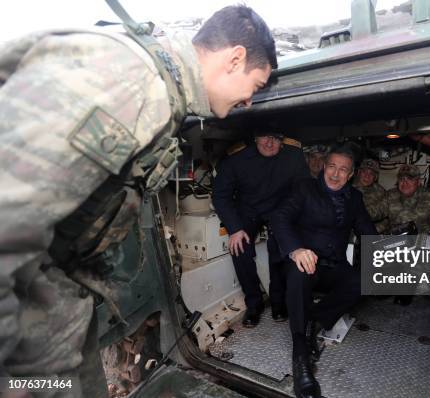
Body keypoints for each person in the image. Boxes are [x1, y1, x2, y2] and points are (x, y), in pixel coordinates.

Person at [0, 4, 277, 396]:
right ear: (235, 59)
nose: (250, 101)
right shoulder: (133, 84)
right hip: (26, 315)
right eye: (257, 85)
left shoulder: (157, 92)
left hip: (57, 300)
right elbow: (8, 216)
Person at [272, 144, 377, 398]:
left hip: (335, 267)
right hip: (305, 263)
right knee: (298, 274)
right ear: (324, 166)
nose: (335, 174)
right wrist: (296, 250)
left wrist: (389, 249)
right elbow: (280, 218)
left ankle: (315, 321)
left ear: (350, 174)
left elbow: (367, 231)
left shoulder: (355, 198)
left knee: (364, 279)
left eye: (343, 170)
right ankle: (301, 357)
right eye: (332, 166)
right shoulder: (304, 189)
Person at [212, 132, 309, 327]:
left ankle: (278, 301)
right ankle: (254, 304)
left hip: (280, 209)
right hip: (249, 210)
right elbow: (220, 195)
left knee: (281, 248)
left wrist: (291, 218)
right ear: (254, 138)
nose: (270, 142)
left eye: (276, 137)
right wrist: (235, 228)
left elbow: (302, 189)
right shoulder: (237, 159)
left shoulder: (294, 155)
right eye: (264, 136)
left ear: (282, 140)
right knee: (240, 249)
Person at [386, 164, 430, 234]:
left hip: (421, 239)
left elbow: (410, 218)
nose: (405, 182)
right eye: (402, 179)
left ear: (419, 182)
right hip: (395, 239)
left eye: (410, 179)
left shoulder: (428, 195)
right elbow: (378, 210)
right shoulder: (391, 194)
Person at [353, 158, 389, 233]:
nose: (367, 176)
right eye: (364, 172)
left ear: (375, 177)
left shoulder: (380, 191)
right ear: (359, 172)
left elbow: (384, 211)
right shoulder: (347, 189)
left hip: (374, 233)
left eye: (371, 174)